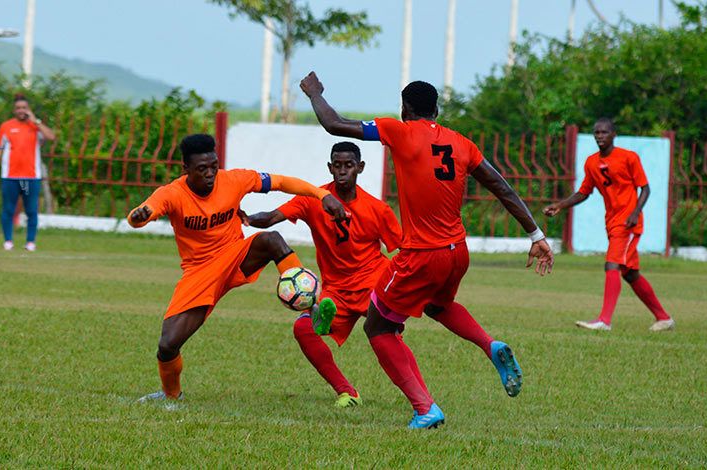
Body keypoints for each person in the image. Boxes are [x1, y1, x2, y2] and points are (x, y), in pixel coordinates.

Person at [299, 72, 554, 428]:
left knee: (378, 328)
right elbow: (502, 187)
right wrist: (536, 234)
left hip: (421, 254)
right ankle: (489, 345)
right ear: (435, 108)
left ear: (405, 108)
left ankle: (424, 408)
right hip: (457, 252)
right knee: (438, 305)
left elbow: (333, 124)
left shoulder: (399, 131)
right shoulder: (462, 143)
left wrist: (315, 93)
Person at [129, 134, 347, 405]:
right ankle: (171, 395)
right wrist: (139, 217)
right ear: (185, 169)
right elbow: (146, 210)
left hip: (236, 254)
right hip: (200, 272)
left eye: (214, 166)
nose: (210, 174)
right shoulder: (172, 193)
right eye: (202, 169)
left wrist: (321, 194)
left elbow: (280, 182)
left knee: (271, 239)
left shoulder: (234, 179)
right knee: (167, 345)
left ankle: (311, 308)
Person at [242, 141, 403, 408]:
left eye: (348, 166)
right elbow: (271, 217)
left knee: (388, 335)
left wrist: (400, 289)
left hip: (372, 282)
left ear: (360, 168)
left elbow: (402, 252)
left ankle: (419, 399)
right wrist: (246, 218)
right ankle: (346, 391)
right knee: (303, 329)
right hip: (336, 289)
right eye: (337, 166)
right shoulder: (312, 200)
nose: (342, 172)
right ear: (330, 167)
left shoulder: (378, 209)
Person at [544, 118, 675, 332]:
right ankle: (663, 317)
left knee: (612, 264)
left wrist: (635, 213)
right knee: (630, 274)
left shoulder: (628, 157)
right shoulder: (592, 162)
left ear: (614, 134)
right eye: (596, 132)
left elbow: (645, 189)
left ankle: (604, 320)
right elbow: (584, 192)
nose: (599, 136)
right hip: (613, 223)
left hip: (628, 223)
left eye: (604, 132)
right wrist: (560, 205)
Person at [0, 94, 56, 251]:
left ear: (28, 109)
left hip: (30, 178)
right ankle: (8, 241)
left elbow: (51, 136)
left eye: (24, 108)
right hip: (10, 177)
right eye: (18, 108)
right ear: (14, 110)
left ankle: (30, 242)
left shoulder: (35, 127)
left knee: (31, 210)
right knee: (8, 209)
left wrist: (36, 120)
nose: (21, 111)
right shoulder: (6, 127)